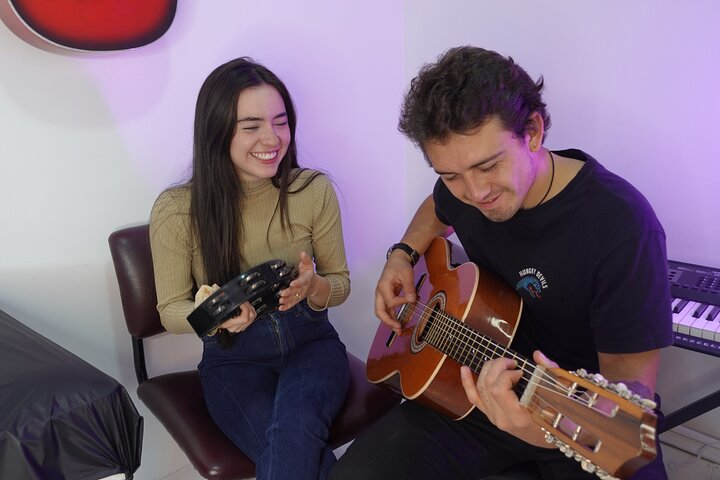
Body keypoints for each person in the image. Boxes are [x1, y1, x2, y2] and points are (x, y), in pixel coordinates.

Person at [330, 46, 673, 479]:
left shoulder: (621, 227)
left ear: (532, 131)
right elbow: (436, 209)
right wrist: (402, 255)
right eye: (450, 175)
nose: (474, 193)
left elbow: (630, 402)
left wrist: (541, 429)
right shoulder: (463, 192)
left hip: (574, 414)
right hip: (477, 382)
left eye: (487, 166)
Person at [150, 57, 351, 480]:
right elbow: (169, 309)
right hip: (232, 363)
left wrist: (314, 287)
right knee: (291, 450)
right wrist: (217, 315)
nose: (272, 138)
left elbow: (341, 283)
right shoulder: (177, 210)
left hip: (312, 347)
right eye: (252, 125)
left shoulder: (312, 191)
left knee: (293, 430)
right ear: (217, 130)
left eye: (281, 122)